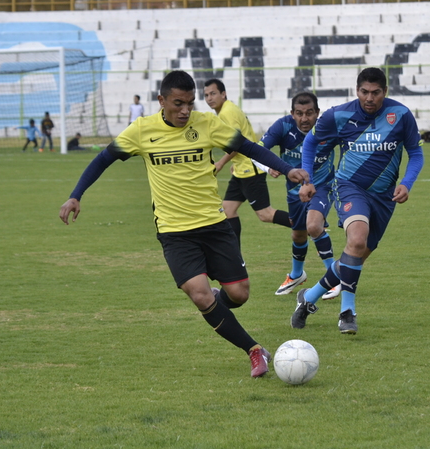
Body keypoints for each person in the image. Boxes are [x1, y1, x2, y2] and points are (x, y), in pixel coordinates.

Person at [59, 70, 309, 378]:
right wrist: (75, 196)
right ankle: (254, 350)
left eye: (190, 103)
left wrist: (286, 169)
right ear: (161, 100)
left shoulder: (206, 124)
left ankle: (217, 304)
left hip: (214, 225)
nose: (185, 111)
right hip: (174, 231)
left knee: (239, 295)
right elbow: (102, 159)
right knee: (200, 294)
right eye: (178, 103)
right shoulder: (142, 130)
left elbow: (247, 146)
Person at [290, 67, 424, 335]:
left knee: (355, 255)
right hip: (349, 188)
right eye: (364, 92)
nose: (370, 98)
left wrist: (406, 184)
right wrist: (308, 180)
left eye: (376, 93)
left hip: (385, 198)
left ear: (385, 92)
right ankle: (347, 311)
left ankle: (309, 297)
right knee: (357, 240)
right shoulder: (339, 115)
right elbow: (310, 142)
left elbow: (416, 153)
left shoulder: (400, 115)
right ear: (357, 90)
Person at [259, 92, 341, 299]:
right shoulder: (283, 127)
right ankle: (297, 274)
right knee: (298, 234)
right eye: (299, 113)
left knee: (313, 226)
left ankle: (335, 276)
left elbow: (352, 145)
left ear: (317, 113)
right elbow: (256, 150)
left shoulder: (329, 128)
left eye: (309, 113)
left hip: (323, 186)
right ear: (292, 114)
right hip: (295, 191)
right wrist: (268, 167)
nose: (304, 119)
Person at [203, 78, 292, 248]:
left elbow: (237, 142)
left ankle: (309, 227)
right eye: (206, 95)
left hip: (250, 170)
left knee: (265, 214)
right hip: (241, 168)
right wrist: (235, 162)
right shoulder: (227, 109)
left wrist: (221, 162)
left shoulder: (226, 113)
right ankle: (235, 256)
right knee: (227, 210)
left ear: (223, 94)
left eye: (213, 93)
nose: (209, 98)